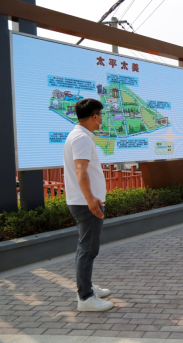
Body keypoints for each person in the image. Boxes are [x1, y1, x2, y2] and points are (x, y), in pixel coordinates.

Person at [63, 98, 113, 312]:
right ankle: (85, 298)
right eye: (100, 115)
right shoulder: (81, 138)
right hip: (85, 204)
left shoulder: (80, 135)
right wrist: (91, 199)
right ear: (94, 116)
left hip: (83, 202)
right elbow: (81, 170)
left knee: (85, 248)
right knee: (88, 250)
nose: (102, 119)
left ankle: (87, 288)